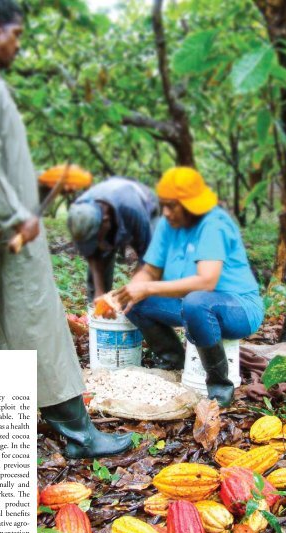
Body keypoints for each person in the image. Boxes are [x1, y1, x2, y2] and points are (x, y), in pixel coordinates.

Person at [0, 0, 133, 458]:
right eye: (16, 35)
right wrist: (15, 215)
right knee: (35, 322)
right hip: (5, 240)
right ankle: (77, 434)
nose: (17, 46)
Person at [113, 167, 264, 407]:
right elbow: (151, 269)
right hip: (193, 304)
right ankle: (173, 361)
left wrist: (148, 289)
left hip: (237, 308)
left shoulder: (213, 224)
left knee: (196, 301)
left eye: (172, 205)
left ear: (191, 205)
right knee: (133, 301)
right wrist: (132, 290)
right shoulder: (168, 224)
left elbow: (207, 281)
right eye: (164, 204)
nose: (166, 212)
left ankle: (218, 385)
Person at [67, 177, 159, 300]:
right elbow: (92, 255)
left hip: (146, 206)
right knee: (97, 289)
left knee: (149, 274)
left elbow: (148, 257)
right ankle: (96, 312)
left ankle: (146, 308)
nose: (96, 245)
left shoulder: (132, 209)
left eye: (96, 239)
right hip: (112, 210)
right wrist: (99, 292)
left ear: (105, 221)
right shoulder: (78, 218)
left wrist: (131, 291)